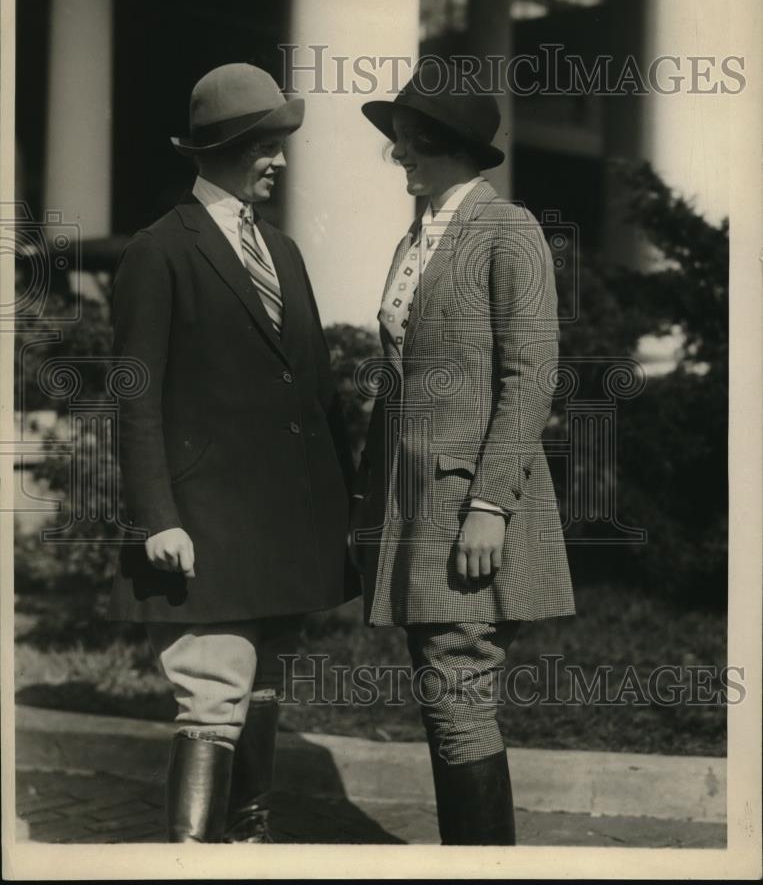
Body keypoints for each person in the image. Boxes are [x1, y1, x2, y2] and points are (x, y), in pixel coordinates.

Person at [109, 63, 356, 843]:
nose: (280, 158)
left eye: (281, 142)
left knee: (260, 695)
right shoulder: (159, 251)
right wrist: (157, 518)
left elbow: (314, 389)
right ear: (223, 148)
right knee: (212, 699)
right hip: (200, 531)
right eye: (267, 144)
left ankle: (245, 850)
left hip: (281, 534)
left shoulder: (281, 250)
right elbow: (134, 396)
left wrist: (344, 506)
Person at [354, 61, 575, 845]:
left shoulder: (505, 229)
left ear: (443, 142)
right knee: (446, 689)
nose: (397, 155)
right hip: (416, 508)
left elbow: (530, 375)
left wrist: (489, 504)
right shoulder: (415, 235)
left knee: (456, 688)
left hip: (468, 509)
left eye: (407, 140)